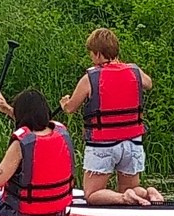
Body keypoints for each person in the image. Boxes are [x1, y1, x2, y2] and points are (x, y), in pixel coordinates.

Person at [63, 28, 165, 205]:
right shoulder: (134, 71)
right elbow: (148, 83)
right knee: (130, 188)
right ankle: (148, 193)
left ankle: (122, 198)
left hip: (103, 143)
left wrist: (64, 103)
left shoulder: (90, 78)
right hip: (133, 142)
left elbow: (71, 108)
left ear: (97, 54)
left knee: (92, 194)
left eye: (91, 54)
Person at [0, 90, 78, 216]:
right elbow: (32, 121)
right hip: (58, 209)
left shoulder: (21, 143)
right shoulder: (61, 131)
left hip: (21, 212)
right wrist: (6, 108)